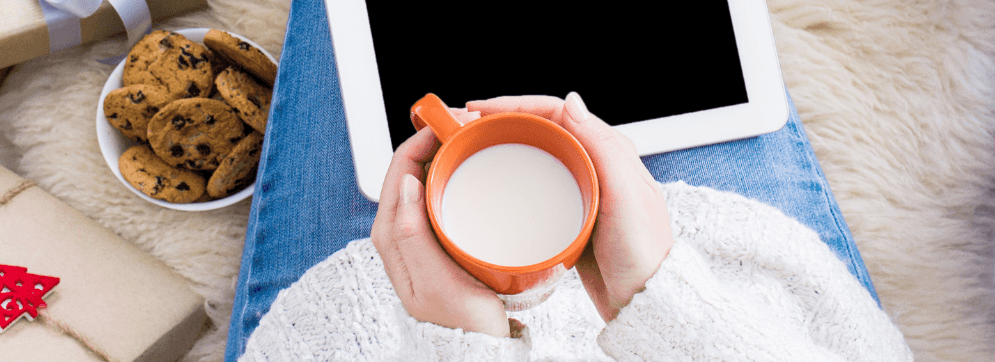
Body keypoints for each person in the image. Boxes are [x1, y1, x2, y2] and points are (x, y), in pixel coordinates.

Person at [240, 94, 912, 360]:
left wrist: (465, 343)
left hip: (355, 319)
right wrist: (656, 293)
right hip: (728, 278)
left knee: (361, 43)